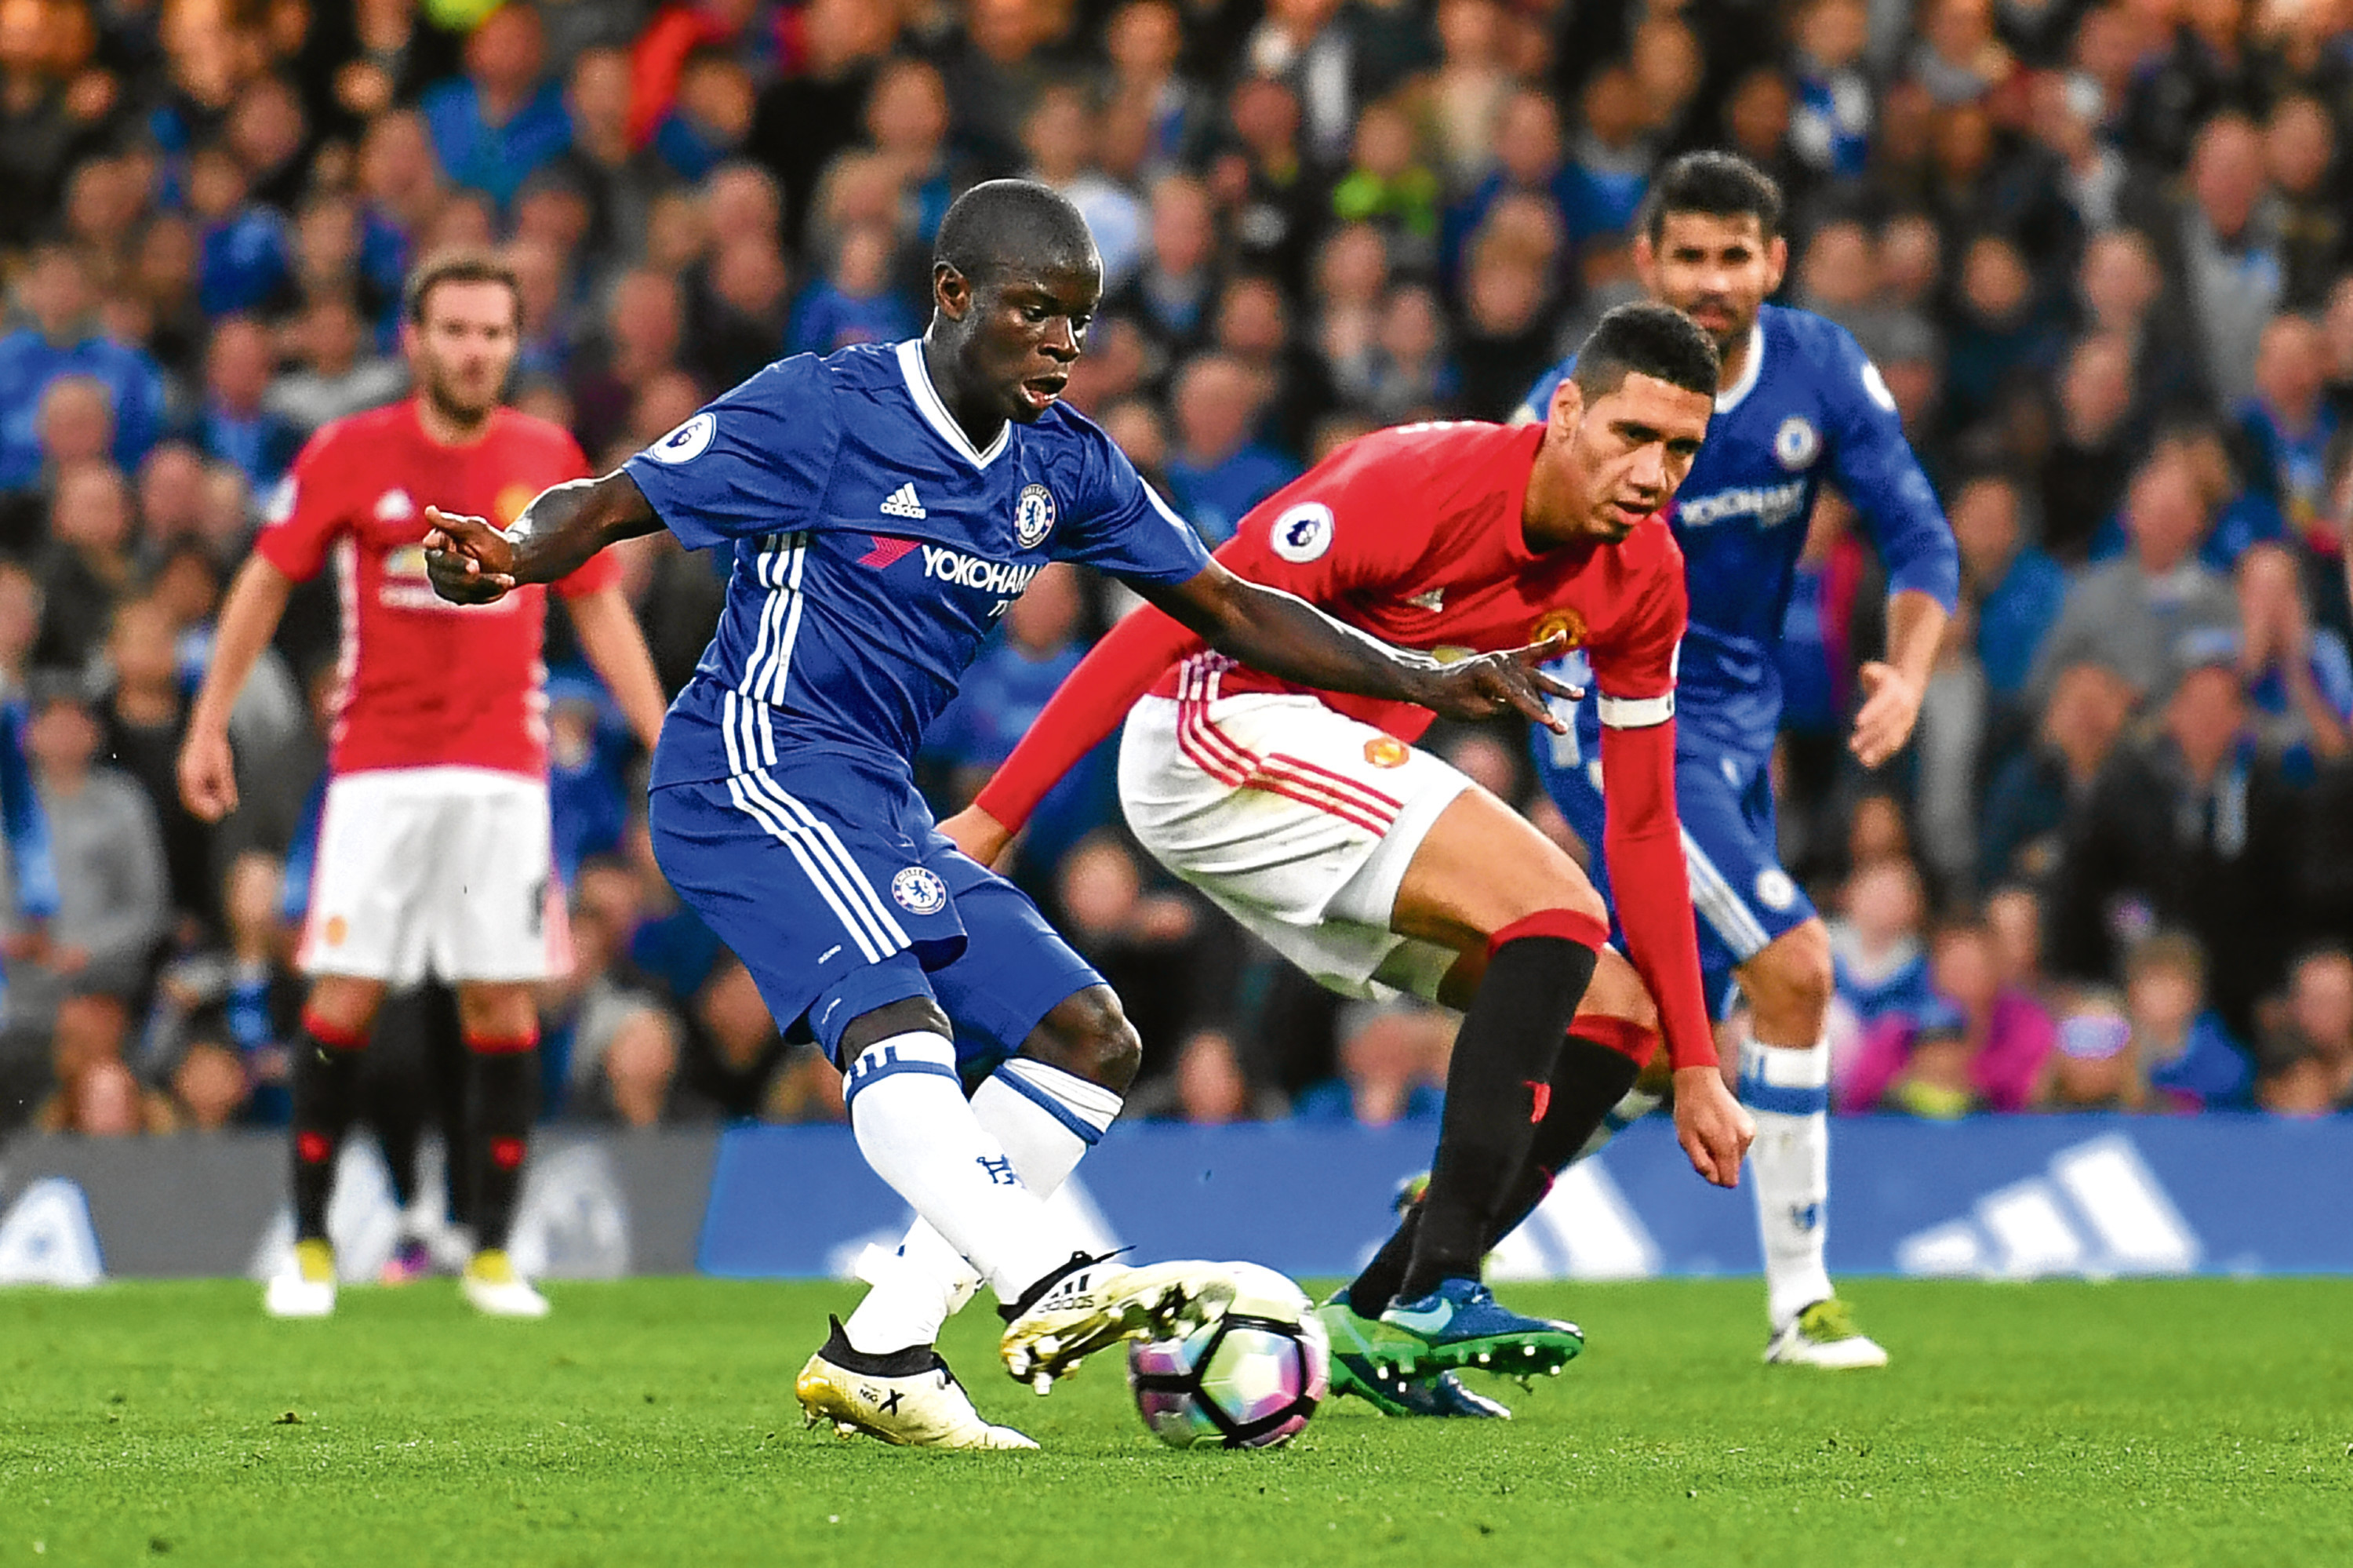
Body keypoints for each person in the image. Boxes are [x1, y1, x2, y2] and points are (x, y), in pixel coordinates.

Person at [418, 180, 1571, 1450]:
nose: (1063, 347)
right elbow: (616, 496)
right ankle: (1047, 1278)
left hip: (878, 799)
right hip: (750, 769)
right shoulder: (826, 408)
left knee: (1089, 1038)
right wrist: (517, 556)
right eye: (1036, 313)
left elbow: (1231, 607)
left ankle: (884, 1350)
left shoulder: (1063, 460)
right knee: (895, 1019)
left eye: (1078, 322)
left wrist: (1425, 677)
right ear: (953, 296)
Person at [945, 300, 1755, 1419]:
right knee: (1556, 912)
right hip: (1212, 729)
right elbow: (1180, 612)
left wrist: (1700, 1060)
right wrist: (1000, 810)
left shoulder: (1647, 578)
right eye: (1633, 436)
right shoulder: (1418, 480)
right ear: (1567, 413)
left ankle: (1380, 1319)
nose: (1655, 471)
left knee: (1618, 1014)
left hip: (1319, 785)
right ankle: (1444, 1286)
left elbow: (1647, 823)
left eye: (1682, 451)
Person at [1513, 152, 1960, 1369]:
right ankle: (1802, 1303)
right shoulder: (1577, 399)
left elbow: (1921, 535)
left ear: (1775, 261)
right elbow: (1496, 538)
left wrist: (1909, 672)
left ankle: (1474, 1193)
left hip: (1735, 726)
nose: (1712, 283)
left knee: (1662, 1034)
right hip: (1615, 722)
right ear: (1646, 265)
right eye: (1690, 258)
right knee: (1799, 971)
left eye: (1735, 257)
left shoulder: (1820, 371)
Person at [176, 253, 671, 1322]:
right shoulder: (352, 453)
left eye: (494, 332)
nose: (475, 349)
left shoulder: (545, 456)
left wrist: (661, 736)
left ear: (513, 342)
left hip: (502, 771)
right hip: (379, 770)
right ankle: (309, 1247)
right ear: (416, 340)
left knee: (500, 996)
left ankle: (490, 1251)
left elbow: (595, 605)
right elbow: (267, 575)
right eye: (455, 329)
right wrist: (209, 719)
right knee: (346, 993)